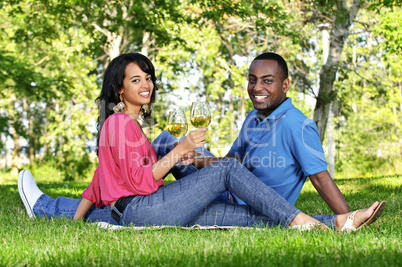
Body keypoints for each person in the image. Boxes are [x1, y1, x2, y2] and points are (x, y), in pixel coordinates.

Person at [18, 52, 385, 231]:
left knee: (253, 218)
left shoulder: (297, 125)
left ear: (284, 85)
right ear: (119, 89)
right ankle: (47, 206)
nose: (145, 84)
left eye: (148, 78)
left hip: (147, 207)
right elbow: (139, 181)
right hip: (156, 204)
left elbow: (100, 182)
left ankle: (338, 223)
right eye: (136, 80)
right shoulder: (120, 125)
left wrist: (81, 219)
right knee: (179, 147)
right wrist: (186, 155)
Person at [154, 52, 349, 215]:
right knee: (170, 140)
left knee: (167, 142)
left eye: (267, 81)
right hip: (225, 188)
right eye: (252, 80)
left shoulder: (298, 125)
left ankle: (133, 204)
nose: (257, 88)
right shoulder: (253, 116)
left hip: (245, 207)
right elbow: (229, 164)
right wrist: (195, 158)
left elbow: (320, 179)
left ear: (285, 85)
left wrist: (349, 218)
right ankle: (133, 197)